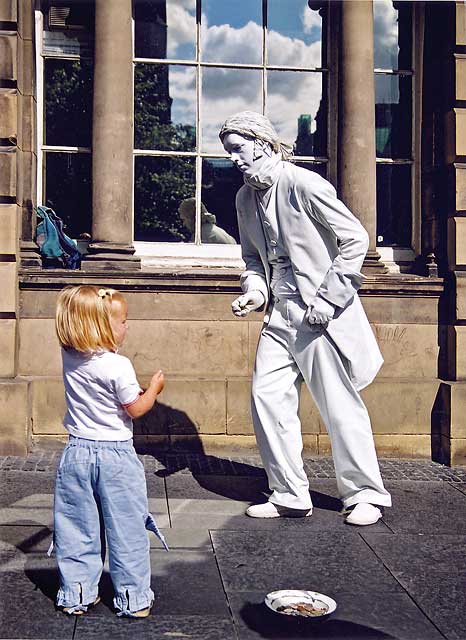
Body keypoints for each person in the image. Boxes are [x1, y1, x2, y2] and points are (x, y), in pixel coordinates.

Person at [219, 111, 391, 526]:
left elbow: (355, 239)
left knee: (338, 405)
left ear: (262, 142)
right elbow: (251, 259)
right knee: (267, 398)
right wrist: (254, 291)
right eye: (229, 153)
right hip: (279, 314)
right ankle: (289, 493)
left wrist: (329, 300)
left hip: (319, 317)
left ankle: (365, 494)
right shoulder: (244, 198)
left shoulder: (303, 183)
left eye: (239, 149)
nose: (235, 160)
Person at [52, 285, 167, 617]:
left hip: (76, 454)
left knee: (76, 527)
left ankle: (77, 594)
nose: (126, 326)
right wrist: (155, 389)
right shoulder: (118, 366)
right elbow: (135, 409)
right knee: (126, 529)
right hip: (116, 457)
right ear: (101, 327)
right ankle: (133, 599)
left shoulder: (69, 355)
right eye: (122, 321)